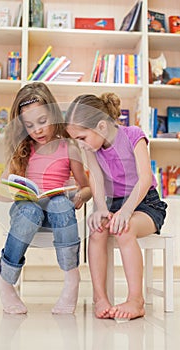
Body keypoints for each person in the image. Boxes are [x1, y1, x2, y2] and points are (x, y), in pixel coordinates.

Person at [65, 92, 168, 320]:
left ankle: (136, 300)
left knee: (125, 228)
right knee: (97, 230)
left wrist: (127, 211)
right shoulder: (91, 149)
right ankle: (99, 297)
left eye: (82, 137)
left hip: (145, 204)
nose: (80, 145)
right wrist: (100, 207)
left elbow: (144, 179)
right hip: (114, 203)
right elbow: (97, 180)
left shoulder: (134, 136)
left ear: (101, 127)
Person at [0, 82, 91, 315]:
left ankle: (71, 279)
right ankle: (6, 281)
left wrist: (80, 195)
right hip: (28, 213)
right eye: (29, 125)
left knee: (59, 203)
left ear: (53, 115)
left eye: (42, 121)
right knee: (30, 210)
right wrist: (16, 192)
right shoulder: (22, 149)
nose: (37, 130)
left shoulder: (69, 147)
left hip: (58, 215)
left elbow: (86, 187)